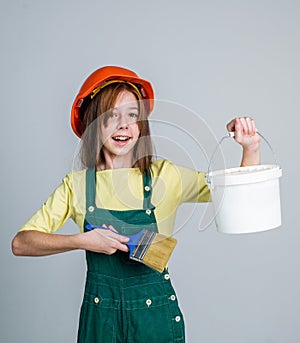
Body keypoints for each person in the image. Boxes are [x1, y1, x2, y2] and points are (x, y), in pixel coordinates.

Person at [12, 66, 260, 342]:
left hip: (153, 321)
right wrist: (83, 240)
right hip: (101, 323)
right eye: (112, 115)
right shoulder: (77, 185)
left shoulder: (166, 176)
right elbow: (21, 243)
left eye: (132, 115)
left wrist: (250, 148)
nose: (124, 125)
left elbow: (238, 194)